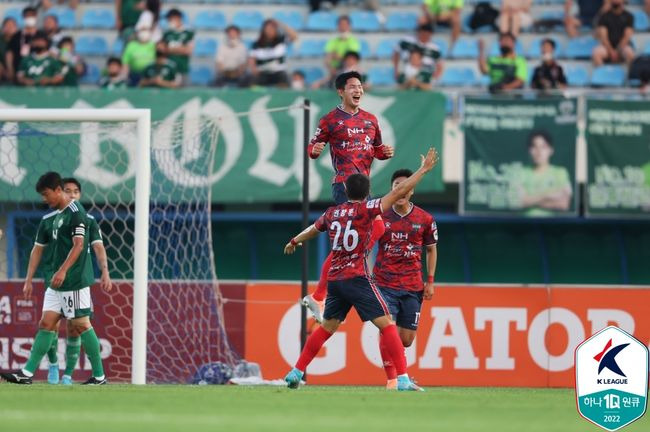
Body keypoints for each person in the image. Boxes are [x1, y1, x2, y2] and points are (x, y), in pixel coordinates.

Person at [282, 148, 439, 391]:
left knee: (327, 328)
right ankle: (403, 379)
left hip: (335, 279)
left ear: (345, 191)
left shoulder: (332, 213)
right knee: (387, 325)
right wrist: (424, 170)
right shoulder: (368, 209)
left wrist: (294, 241)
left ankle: (296, 371)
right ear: (367, 194)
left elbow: (312, 230)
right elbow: (397, 191)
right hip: (357, 278)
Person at [302, 71, 395, 323]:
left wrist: (384, 153)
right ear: (341, 91)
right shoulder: (330, 119)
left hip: (363, 187)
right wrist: (315, 150)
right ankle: (321, 293)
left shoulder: (371, 120)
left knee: (376, 227)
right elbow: (312, 148)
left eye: (360, 86)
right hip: (344, 185)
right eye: (353, 86)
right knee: (364, 231)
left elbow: (376, 150)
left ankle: (331, 282)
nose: (358, 90)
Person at [1, 172, 107, 385]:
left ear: (58, 191)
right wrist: (29, 279)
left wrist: (63, 270)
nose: (44, 199)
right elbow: (37, 250)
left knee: (81, 324)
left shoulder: (77, 213)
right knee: (46, 323)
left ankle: (99, 375)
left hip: (73, 281)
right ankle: (27, 373)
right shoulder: (55, 215)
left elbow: (79, 245)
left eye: (46, 194)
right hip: (56, 284)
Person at [374, 169, 437, 390]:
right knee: (387, 328)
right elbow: (366, 243)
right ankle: (394, 379)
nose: (400, 190)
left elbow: (431, 250)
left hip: (412, 286)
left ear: (411, 190)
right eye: (396, 185)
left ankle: (397, 370)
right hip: (384, 282)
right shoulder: (380, 215)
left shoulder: (425, 219)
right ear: (392, 189)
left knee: (406, 340)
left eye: (405, 185)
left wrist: (430, 281)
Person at [515, 131, 572, 216]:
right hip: (525, 225)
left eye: (543, 147)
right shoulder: (521, 173)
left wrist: (530, 201)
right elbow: (519, 202)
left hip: (552, 226)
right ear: (529, 150)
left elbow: (564, 205)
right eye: (534, 146)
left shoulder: (560, 173)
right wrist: (548, 196)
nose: (539, 152)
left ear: (551, 150)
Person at [248, 19, 297, 88]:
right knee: (252, 82)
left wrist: (281, 24)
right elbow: (251, 59)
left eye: (272, 28)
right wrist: (254, 69)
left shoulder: (281, 40)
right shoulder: (256, 44)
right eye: (268, 28)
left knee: (284, 79)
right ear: (263, 30)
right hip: (262, 72)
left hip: (278, 72)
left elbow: (294, 36)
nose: (270, 31)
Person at [592, 0, 634, 66]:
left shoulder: (629, 16)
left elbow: (626, 37)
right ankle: (603, 74)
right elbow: (603, 37)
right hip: (607, 47)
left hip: (622, 47)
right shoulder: (604, 16)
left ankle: (629, 75)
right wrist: (611, 51)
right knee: (596, 53)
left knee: (630, 53)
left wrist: (617, 51)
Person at [159, 9, 194, 85]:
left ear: (177, 18)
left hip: (182, 68)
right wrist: (180, 48)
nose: (169, 21)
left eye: (170, 19)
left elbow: (188, 51)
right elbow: (162, 49)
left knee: (185, 93)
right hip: (169, 70)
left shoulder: (188, 32)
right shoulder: (167, 33)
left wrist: (171, 49)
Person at [5, 6, 39, 83]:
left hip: (37, 73)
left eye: (32, 15)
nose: (29, 18)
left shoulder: (41, 35)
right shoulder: (17, 36)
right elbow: (9, 53)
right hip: (18, 71)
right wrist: (10, 69)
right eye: (27, 16)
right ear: (23, 17)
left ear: (36, 17)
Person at [324, 16, 361, 81]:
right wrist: (331, 68)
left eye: (345, 24)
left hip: (348, 71)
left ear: (349, 26)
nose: (342, 27)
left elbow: (351, 59)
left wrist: (336, 56)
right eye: (340, 24)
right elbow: (327, 57)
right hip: (334, 70)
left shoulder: (354, 41)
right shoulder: (332, 41)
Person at [0, 17, 18, 82]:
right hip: (3, 69)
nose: (10, 28)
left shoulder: (20, 39)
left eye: (12, 26)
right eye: (7, 25)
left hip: (18, 69)